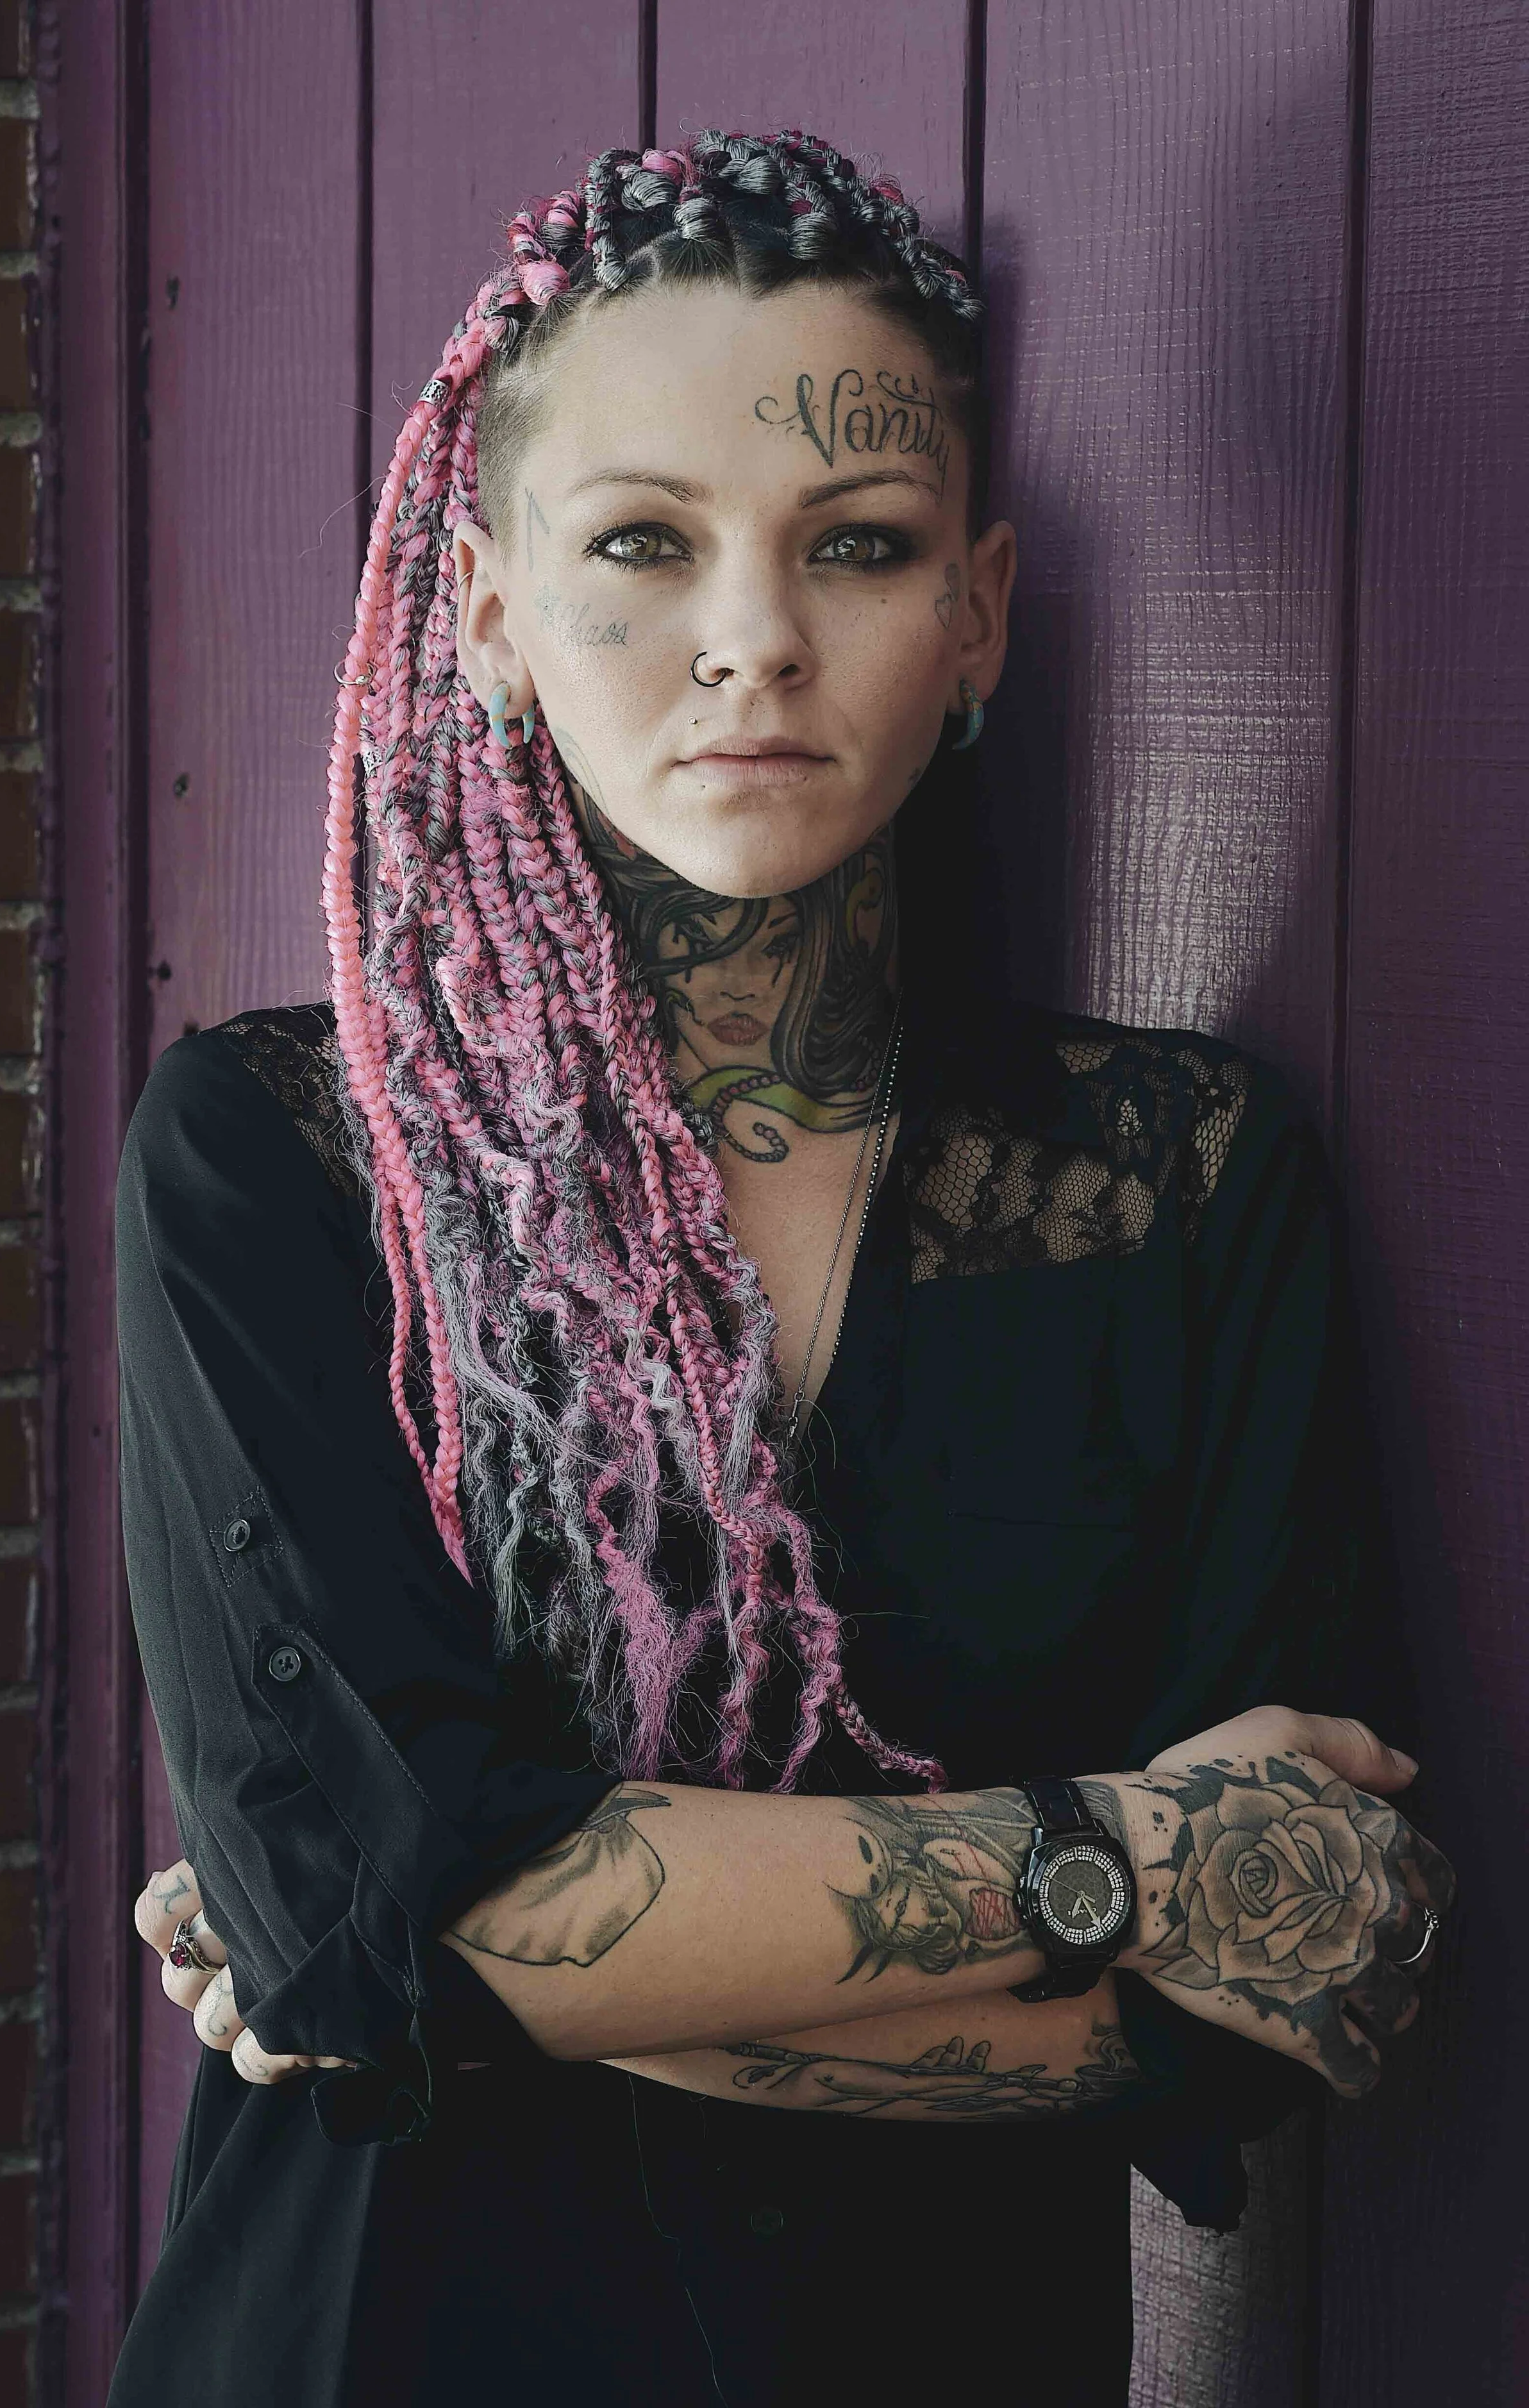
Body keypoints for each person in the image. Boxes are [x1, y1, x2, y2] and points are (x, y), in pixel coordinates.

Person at [108, 128, 1455, 2407]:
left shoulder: (1179, 1174)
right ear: (490, 613)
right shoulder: (285, 1153)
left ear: (982, 613)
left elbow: (1291, 1966)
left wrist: (482, 1943)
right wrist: (1115, 1855)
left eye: (858, 545)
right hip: (367, 2342)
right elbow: (390, 1922)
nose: (753, 636)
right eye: (641, 542)